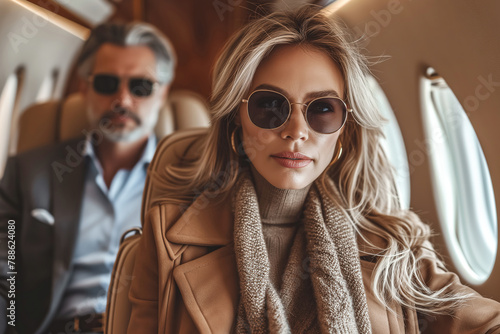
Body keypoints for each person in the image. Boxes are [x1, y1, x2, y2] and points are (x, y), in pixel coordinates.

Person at [127, 6, 500, 334]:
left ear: (344, 130)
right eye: (270, 105)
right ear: (236, 118)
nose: (296, 132)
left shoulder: (393, 242)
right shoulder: (167, 239)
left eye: (322, 109)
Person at [0, 22, 175, 334]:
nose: (122, 100)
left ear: (162, 93)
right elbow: (5, 275)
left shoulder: (193, 180)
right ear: (84, 88)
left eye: (141, 87)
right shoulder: (28, 173)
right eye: (107, 83)